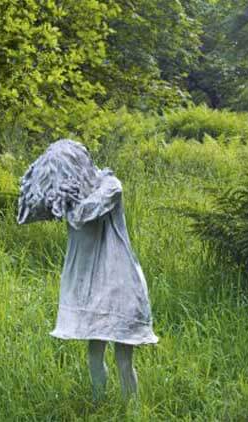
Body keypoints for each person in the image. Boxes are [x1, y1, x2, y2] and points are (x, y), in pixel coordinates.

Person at [17, 139, 158, 399]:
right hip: (91, 286)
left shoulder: (110, 186)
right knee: (94, 355)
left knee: (124, 361)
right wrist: (48, 188)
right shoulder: (69, 197)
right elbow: (29, 212)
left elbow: (84, 214)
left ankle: (133, 412)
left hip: (120, 281)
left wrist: (64, 196)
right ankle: (99, 403)